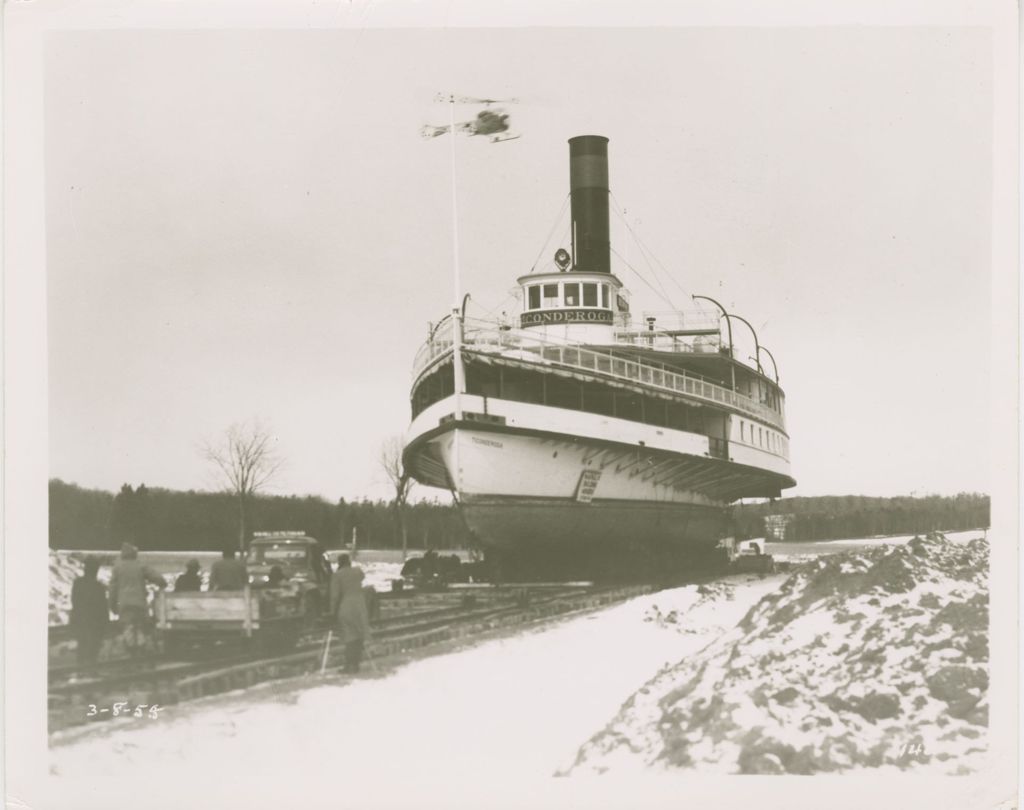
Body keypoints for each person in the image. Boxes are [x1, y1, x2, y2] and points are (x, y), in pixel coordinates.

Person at [108, 542, 166, 657]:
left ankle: (130, 652)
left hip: (124, 604)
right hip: (139, 603)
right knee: (141, 627)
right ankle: (140, 650)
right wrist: (162, 584)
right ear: (134, 554)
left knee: (127, 627)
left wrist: (112, 605)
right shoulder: (140, 566)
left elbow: (113, 589)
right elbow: (157, 577)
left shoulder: (117, 568)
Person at [330, 553, 371, 674]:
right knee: (360, 634)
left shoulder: (337, 575)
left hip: (346, 605)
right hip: (360, 605)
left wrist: (332, 612)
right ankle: (356, 664)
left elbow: (335, 596)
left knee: (349, 636)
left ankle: (349, 665)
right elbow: (362, 576)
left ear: (339, 563)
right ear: (349, 562)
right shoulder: (357, 571)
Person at [70, 556, 109, 667]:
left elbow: (74, 601)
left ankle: (81, 670)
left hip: (80, 620)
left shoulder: (78, 583)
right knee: (93, 648)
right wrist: (106, 623)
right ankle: (91, 670)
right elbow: (103, 607)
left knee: (82, 645)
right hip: (95, 623)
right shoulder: (99, 587)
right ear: (95, 570)